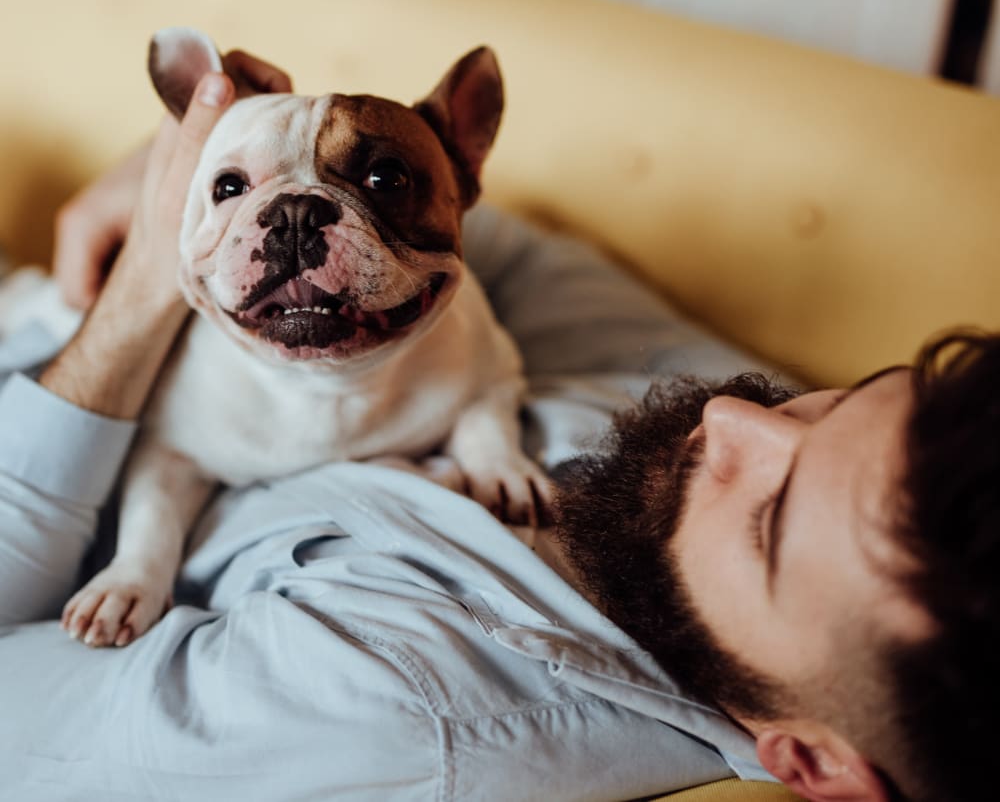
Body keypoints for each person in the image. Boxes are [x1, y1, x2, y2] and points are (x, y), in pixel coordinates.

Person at [0, 57, 993, 802]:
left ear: (810, 760)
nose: (730, 416)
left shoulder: (398, 708)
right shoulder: (718, 441)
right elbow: (475, 234)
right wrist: (206, 171)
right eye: (822, 402)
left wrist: (132, 309)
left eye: (768, 520)